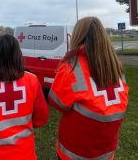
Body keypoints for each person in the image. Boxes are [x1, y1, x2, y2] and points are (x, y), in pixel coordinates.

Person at [49, 17, 129, 160]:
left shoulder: (70, 67)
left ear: (77, 36)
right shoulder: (116, 66)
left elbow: (58, 103)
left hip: (75, 150)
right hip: (107, 149)